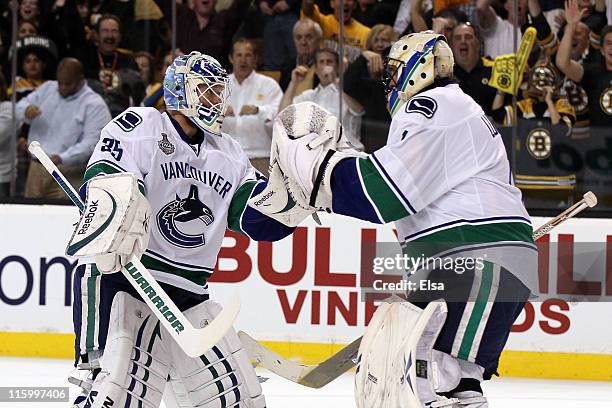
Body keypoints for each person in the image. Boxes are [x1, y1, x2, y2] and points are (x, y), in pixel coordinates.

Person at [254, 31, 537, 407]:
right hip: (486, 267)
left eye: (393, 72)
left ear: (418, 69)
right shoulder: (457, 109)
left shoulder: (431, 106)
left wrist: (316, 170)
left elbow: (384, 195)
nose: (387, 83)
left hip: (473, 265)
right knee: (456, 386)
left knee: (421, 383)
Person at [69, 51, 299, 407]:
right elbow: (103, 183)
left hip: (190, 297)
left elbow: (257, 222)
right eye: (206, 90)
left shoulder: (231, 153)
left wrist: (298, 198)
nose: (216, 100)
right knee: (115, 394)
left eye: (218, 91)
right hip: (130, 284)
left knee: (240, 401)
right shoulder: (140, 126)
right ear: (179, 90)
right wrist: (118, 203)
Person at [15, 58, 111, 199]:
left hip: (67, 171)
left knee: (62, 216)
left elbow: (93, 142)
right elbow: (19, 105)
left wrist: (62, 157)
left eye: (68, 84)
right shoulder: (48, 88)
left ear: (80, 80)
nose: (62, 88)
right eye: (60, 83)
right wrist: (26, 110)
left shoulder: (94, 104)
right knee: (30, 215)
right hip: (36, 167)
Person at [280, 48, 365, 150]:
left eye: (329, 62)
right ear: (315, 69)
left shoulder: (348, 92)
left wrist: (335, 82)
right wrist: (293, 83)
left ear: (338, 68)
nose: (326, 65)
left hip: (346, 152)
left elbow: (359, 110)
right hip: (315, 153)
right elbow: (283, 115)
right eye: (321, 62)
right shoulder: (308, 95)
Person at [221, 39, 283, 176]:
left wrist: (258, 110)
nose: (243, 60)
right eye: (239, 55)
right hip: (226, 159)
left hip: (260, 158)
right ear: (231, 58)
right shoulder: (219, 86)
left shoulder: (269, 85)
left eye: (248, 55)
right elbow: (201, 117)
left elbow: (281, 117)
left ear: (255, 59)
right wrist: (217, 113)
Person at [556, 1, 612, 129]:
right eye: (609, 43)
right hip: (599, 143)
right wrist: (571, 27)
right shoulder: (594, 72)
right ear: (602, 50)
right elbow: (562, 63)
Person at [343, 24, 396, 152]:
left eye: (384, 40)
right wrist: (363, 56)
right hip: (369, 130)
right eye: (376, 40)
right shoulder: (362, 71)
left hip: (391, 128)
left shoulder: (396, 71)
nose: (379, 44)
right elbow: (347, 85)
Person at [302, 0, 371, 62]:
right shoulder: (321, 23)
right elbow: (308, 9)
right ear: (332, 3)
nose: (344, 3)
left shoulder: (366, 33)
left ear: (355, 5)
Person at [279, 18, 323, 92]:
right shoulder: (287, 66)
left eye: (309, 37)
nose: (303, 42)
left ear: (319, 40)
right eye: (298, 37)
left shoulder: (326, 65)